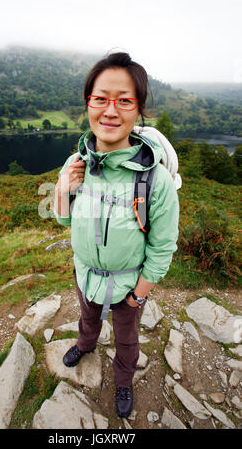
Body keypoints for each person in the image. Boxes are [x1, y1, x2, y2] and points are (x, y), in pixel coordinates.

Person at [53, 52, 179, 419]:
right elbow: (64, 221)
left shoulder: (155, 179)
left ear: (138, 111)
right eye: (100, 99)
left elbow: (162, 246)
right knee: (88, 318)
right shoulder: (77, 162)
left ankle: (123, 379)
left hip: (128, 287)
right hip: (85, 274)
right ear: (88, 103)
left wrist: (139, 296)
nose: (110, 111)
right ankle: (86, 344)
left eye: (124, 101)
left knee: (126, 338)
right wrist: (63, 188)